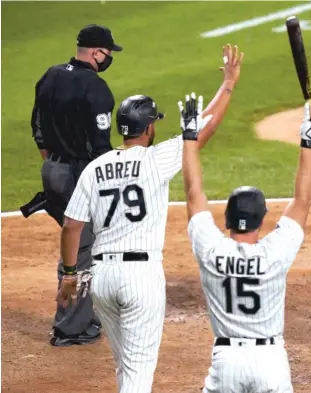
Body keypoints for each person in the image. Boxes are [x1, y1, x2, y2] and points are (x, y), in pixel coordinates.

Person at [56, 43, 243, 393]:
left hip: (102, 278)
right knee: (139, 373)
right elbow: (203, 129)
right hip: (141, 277)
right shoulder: (156, 160)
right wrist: (229, 83)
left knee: (126, 366)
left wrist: (69, 274)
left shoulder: (95, 168)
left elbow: (71, 226)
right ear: (148, 129)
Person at [182, 98, 311, 392]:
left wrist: (189, 138)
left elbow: (194, 193)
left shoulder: (211, 250)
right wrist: (308, 144)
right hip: (269, 360)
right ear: (261, 221)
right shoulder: (274, 253)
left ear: (227, 219)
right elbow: (302, 201)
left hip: (227, 359)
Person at [29, 23, 123, 347]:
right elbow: (99, 148)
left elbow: (38, 127)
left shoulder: (51, 75)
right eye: (108, 53)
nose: (108, 58)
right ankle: (70, 328)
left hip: (51, 170)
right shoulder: (96, 89)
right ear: (97, 52)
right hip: (80, 175)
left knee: (85, 241)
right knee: (82, 246)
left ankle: (85, 314)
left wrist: (53, 161)